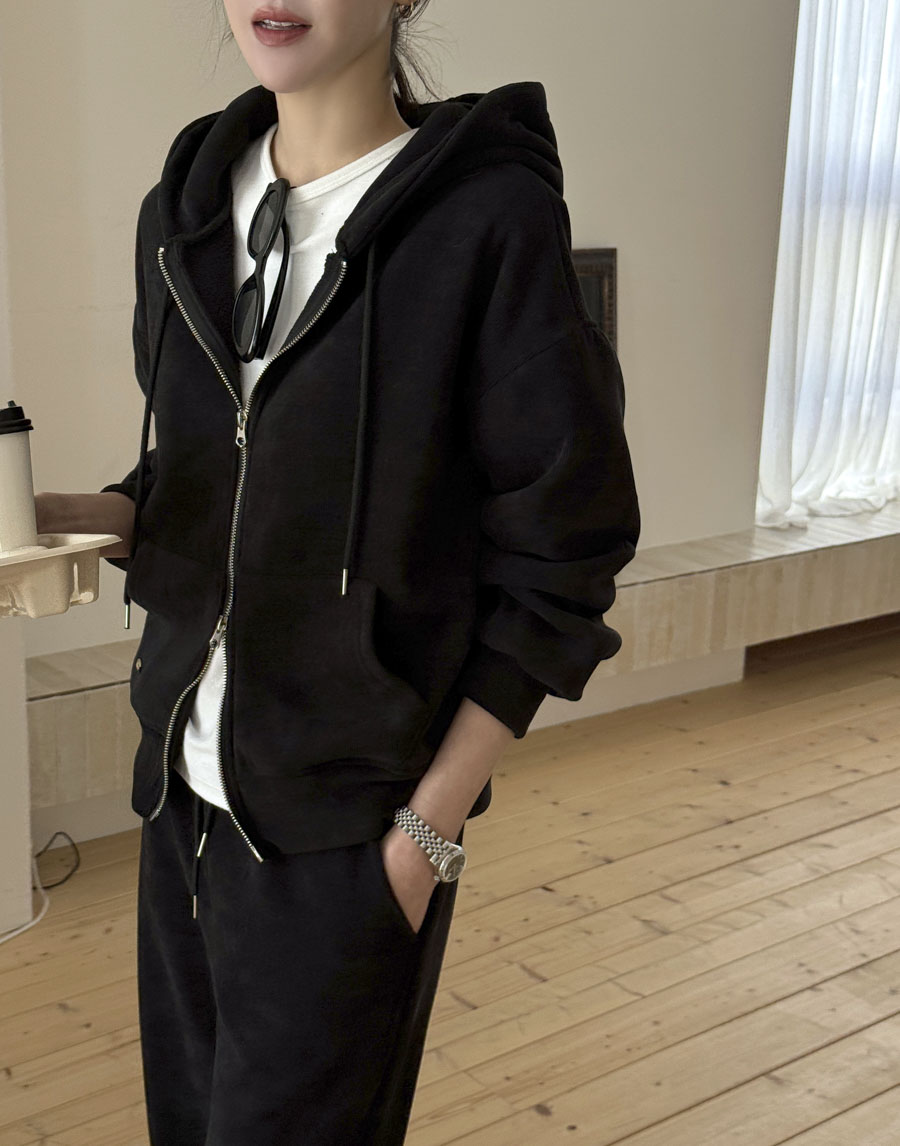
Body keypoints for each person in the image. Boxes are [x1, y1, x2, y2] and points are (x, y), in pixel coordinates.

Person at [35, 0, 641, 1142]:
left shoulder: (487, 222)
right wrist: (69, 518)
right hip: (179, 804)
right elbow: (217, 478)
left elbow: (568, 552)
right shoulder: (183, 213)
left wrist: (423, 838)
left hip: (349, 840)